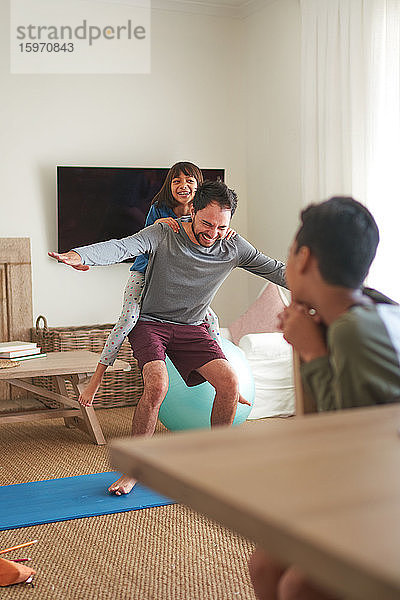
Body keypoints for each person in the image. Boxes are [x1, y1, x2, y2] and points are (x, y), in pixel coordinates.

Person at [49, 180, 287, 495]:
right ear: (193, 210)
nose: (212, 233)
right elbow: (122, 246)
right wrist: (80, 255)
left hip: (192, 327)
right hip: (151, 323)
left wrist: (326, 281)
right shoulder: (165, 233)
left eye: (221, 226)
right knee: (157, 384)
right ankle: (134, 469)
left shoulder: (234, 246)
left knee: (230, 382)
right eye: (206, 223)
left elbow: (276, 270)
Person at [248, 196, 400, 600]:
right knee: (265, 562)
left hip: (384, 494)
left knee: (299, 585)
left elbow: (345, 439)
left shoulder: (354, 330)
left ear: (304, 259)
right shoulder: (364, 311)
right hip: (373, 486)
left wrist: (312, 352)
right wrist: (306, 340)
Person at [79, 162, 231, 406]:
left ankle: (225, 375)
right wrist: (159, 226)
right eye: (176, 181)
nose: (183, 186)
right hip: (144, 273)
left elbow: (214, 236)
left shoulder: (202, 217)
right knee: (127, 319)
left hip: (176, 283)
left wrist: (226, 232)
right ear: (169, 186)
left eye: (189, 181)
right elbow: (141, 240)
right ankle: (96, 380)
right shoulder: (159, 209)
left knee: (212, 319)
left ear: (199, 187)